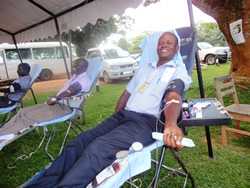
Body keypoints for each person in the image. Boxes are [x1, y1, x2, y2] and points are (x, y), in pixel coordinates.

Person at [25, 31, 192, 188]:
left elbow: (173, 96)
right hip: (123, 116)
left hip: (146, 123)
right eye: (161, 42)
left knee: (97, 149)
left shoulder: (178, 70)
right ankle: (44, 183)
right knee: (80, 141)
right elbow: (127, 93)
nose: (163, 45)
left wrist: (170, 124)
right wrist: (117, 116)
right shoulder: (145, 68)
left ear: (177, 48)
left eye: (169, 42)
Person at [0, 58, 91, 137]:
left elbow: (70, 91)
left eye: (76, 66)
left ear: (84, 67)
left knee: (29, 117)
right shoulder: (76, 76)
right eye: (73, 65)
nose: (73, 67)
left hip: (64, 108)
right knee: (23, 111)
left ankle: (4, 136)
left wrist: (55, 99)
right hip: (58, 104)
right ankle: (3, 130)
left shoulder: (83, 80)